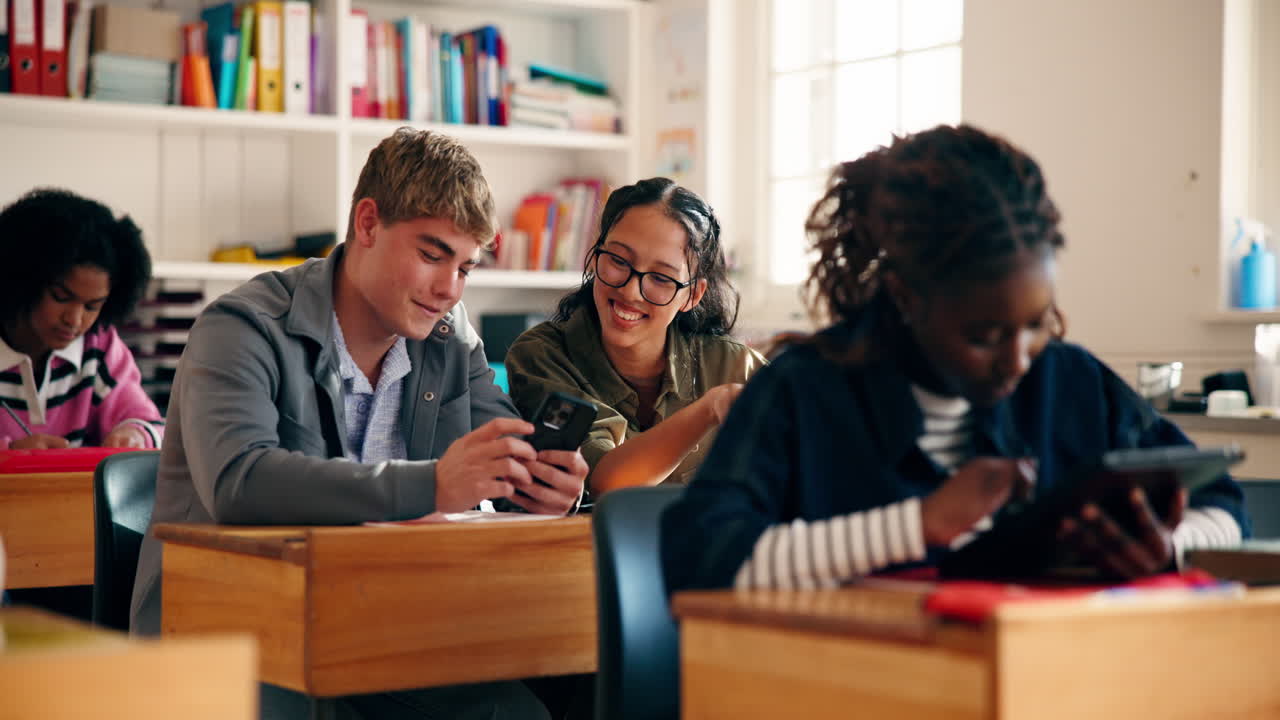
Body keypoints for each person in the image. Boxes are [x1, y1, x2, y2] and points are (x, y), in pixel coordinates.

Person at [662, 125, 1248, 593]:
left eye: (1036, 325)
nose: (1017, 360)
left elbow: (1220, 498)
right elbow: (700, 559)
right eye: (985, 335)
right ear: (907, 297)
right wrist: (918, 525)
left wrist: (1171, 543)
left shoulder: (1069, 383)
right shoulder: (804, 394)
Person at [130, 128, 588, 720]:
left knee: (527, 710)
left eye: (465, 267)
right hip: (231, 630)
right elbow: (240, 482)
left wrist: (545, 488)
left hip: (380, 627)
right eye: (431, 255)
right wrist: (432, 484)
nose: (449, 289)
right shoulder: (240, 327)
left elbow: (503, 451)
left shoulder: (449, 339)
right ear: (367, 224)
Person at [505, 178, 765, 497]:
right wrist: (708, 409)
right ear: (596, 252)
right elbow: (608, 481)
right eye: (618, 260)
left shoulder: (736, 366)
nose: (629, 291)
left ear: (692, 295)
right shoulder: (541, 357)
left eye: (660, 277)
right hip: (581, 547)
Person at [0, 188, 163, 451]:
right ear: (22, 281)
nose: (74, 320)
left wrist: (135, 434)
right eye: (60, 297)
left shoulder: (98, 345)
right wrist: (10, 455)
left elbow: (151, 423)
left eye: (92, 306)